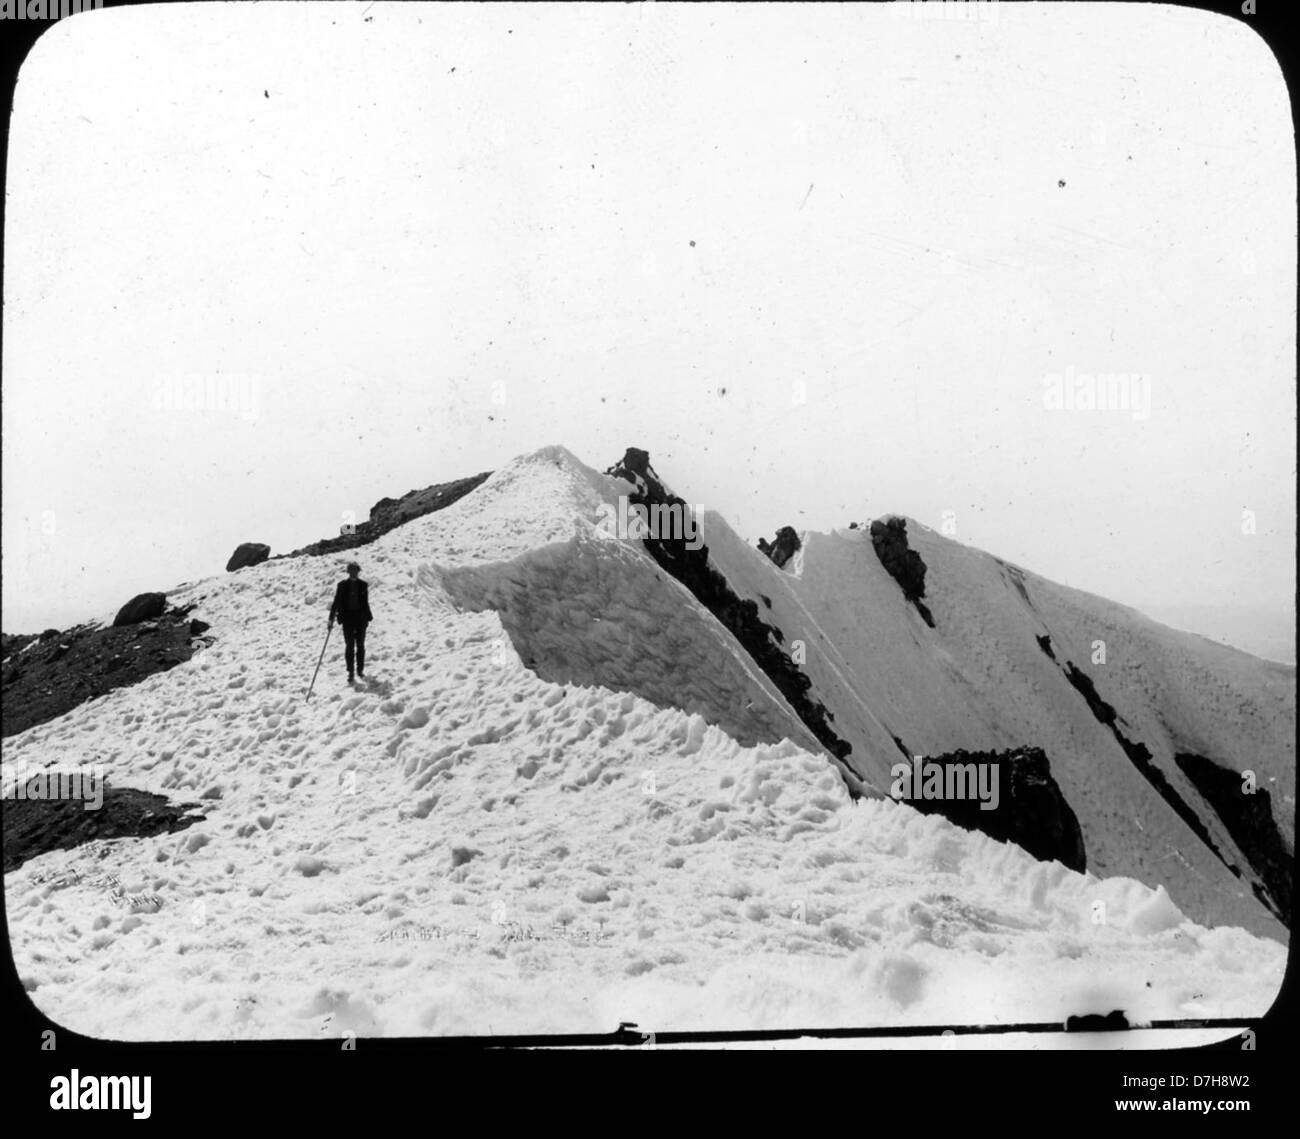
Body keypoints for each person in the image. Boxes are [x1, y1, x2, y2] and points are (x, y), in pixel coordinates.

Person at [328, 561, 373, 683]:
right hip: (347, 619)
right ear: (348, 572)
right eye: (351, 571)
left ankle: (360, 670)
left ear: (358, 572)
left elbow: (365, 602)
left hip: (360, 618)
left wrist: (368, 616)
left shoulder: (363, 585)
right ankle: (351, 672)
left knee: (360, 645)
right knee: (349, 646)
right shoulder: (342, 585)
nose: (354, 573)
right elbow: (336, 602)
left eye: (356, 571)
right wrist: (331, 619)